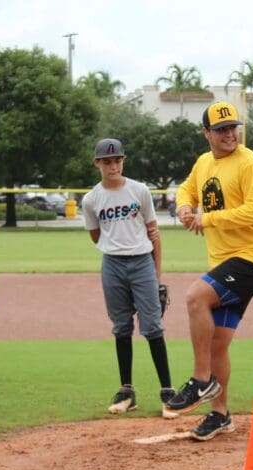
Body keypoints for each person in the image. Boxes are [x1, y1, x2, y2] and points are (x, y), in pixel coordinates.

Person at [164, 102, 253, 441]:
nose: (230, 134)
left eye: (233, 127)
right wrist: (185, 205)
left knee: (195, 297)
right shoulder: (204, 162)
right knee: (218, 342)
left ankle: (201, 380)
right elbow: (188, 187)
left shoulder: (250, 164)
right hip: (227, 262)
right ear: (206, 133)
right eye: (221, 129)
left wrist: (208, 218)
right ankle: (220, 414)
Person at [81, 138, 176, 417]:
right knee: (121, 327)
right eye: (107, 161)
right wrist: (115, 246)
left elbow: (154, 233)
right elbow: (96, 234)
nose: (113, 165)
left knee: (152, 327)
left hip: (141, 262)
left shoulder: (139, 191)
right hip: (112, 264)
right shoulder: (91, 199)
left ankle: (168, 393)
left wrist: (157, 275)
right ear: (97, 163)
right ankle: (127, 392)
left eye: (117, 160)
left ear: (123, 160)